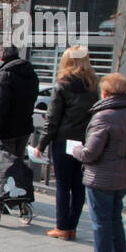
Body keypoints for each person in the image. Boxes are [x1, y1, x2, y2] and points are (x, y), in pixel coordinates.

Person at [72, 73, 126, 252]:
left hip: (102, 175)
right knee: (114, 218)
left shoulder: (103, 116)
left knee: (100, 220)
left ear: (104, 92)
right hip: (124, 173)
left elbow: (90, 153)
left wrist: (75, 150)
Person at [37, 45, 98, 240]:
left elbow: (52, 119)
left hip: (63, 141)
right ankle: (72, 227)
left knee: (63, 186)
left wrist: (41, 145)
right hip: (85, 141)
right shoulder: (93, 85)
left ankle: (61, 227)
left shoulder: (62, 84)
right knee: (79, 186)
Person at [0, 44, 40, 157]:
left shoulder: (4, 75)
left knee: (5, 167)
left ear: (1, 57)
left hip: (7, 131)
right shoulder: (30, 73)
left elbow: (0, 106)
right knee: (17, 166)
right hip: (24, 127)